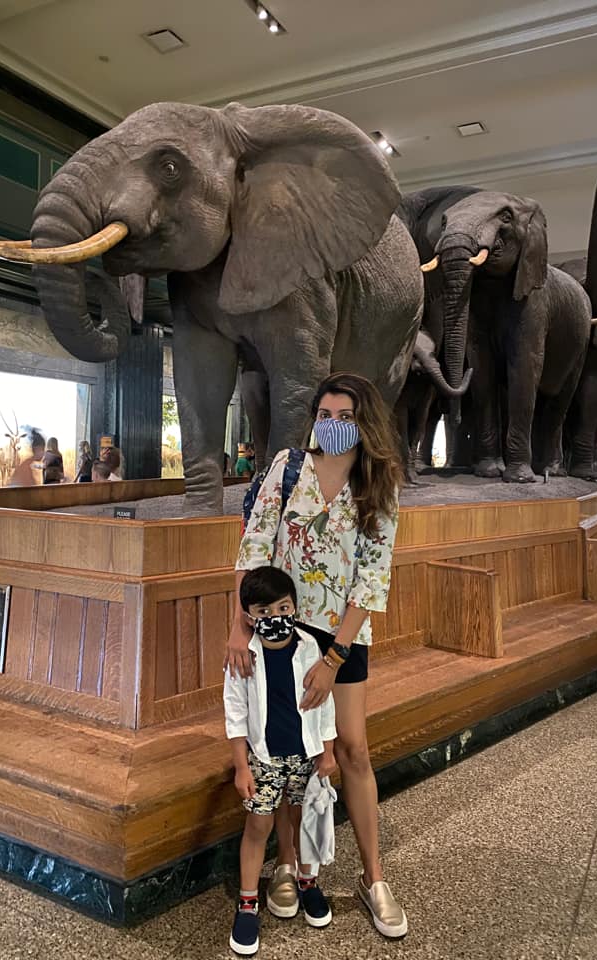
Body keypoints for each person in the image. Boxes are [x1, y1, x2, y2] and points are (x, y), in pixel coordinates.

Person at [227, 372, 408, 939]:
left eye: (344, 416)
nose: (332, 425)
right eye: (324, 414)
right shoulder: (287, 469)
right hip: (280, 630)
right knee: (285, 747)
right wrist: (238, 628)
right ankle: (287, 864)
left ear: (364, 423)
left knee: (351, 748)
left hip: (341, 640)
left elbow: (372, 580)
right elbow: (254, 549)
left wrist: (331, 662)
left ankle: (373, 876)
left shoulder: (378, 483)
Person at [224, 566, 337, 955]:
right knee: (258, 825)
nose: (275, 618)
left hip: (306, 754)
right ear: (248, 616)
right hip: (263, 758)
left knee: (304, 820)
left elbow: (325, 706)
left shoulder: (308, 647)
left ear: (294, 606)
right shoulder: (243, 657)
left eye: (283, 607)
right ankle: (248, 901)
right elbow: (235, 715)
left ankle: (308, 881)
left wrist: (328, 752)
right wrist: (241, 765)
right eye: (264, 611)